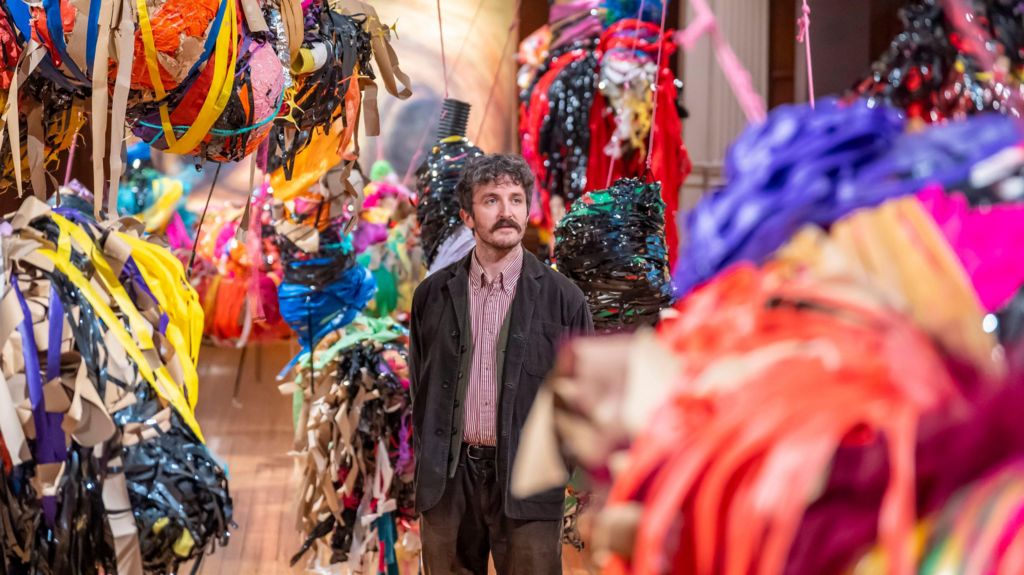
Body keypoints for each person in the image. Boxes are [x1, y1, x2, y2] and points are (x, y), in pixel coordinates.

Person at [409, 153, 594, 574]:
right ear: (467, 216)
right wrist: (429, 463)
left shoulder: (564, 299)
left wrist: (560, 471)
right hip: (448, 484)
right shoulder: (432, 295)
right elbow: (421, 388)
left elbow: (581, 397)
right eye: (491, 200)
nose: (506, 211)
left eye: (515, 199)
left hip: (529, 483)